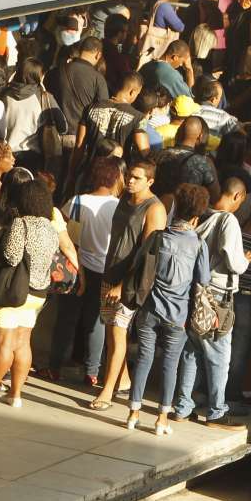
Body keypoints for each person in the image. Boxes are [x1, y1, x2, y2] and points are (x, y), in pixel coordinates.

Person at [125, 183, 211, 436]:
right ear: (196, 216)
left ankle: (133, 413)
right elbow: (202, 281)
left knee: (143, 358)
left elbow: (139, 266)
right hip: (178, 315)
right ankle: (162, 419)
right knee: (170, 365)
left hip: (149, 309)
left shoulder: (157, 237)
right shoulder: (199, 245)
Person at [0, 179, 62, 407]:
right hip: (37, 294)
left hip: (12, 291)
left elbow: (10, 256)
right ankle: (15, 394)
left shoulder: (21, 223)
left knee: (3, 344)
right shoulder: (51, 227)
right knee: (22, 343)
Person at [89, 159, 166, 410]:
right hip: (110, 271)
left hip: (130, 281)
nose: (131, 181)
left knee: (118, 332)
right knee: (111, 330)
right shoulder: (124, 197)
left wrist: (122, 285)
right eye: (129, 176)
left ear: (150, 181)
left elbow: (147, 253)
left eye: (137, 178)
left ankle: (107, 391)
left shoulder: (154, 209)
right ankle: (122, 380)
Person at [174, 178, 249, 429]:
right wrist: (245, 261)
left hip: (194, 292)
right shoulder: (228, 220)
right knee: (219, 355)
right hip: (217, 296)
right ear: (237, 196)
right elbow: (232, 259)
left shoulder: (198, 216)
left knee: (192, 351)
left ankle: (183, 407)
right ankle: (217, 412)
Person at [47, 156, 121, 386]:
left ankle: (54, 367)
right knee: (96, 321)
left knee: (66, 319)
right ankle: (92, 372)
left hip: (76, 267)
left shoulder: (76, 201)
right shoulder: (118, 207)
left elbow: (62, 231)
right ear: (115, 178)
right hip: (105, 271)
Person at [69, 71, 146, 186]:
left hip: (90, 173)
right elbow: (144, 151)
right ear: (132, 92)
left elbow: (79, 145)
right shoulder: (139, 118)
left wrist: (72, 173)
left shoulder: (90, 108)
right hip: (116, 178)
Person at [153, 115, 220, 211]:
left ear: (177, 133)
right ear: (200, 137)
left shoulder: (157, 155)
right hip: (183, 216)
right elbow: (215, 196)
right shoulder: (203, 163)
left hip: (155, 210)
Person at [56, 36, 108, 141]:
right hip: (81, 138)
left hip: (54, 134)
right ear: (98, 55)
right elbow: (103, 113)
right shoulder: (97, 78)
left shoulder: (57, 71)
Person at [192, 76, 241, 148]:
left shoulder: (190, 110)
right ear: (213, 99)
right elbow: (238, 133)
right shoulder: (223, 117)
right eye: (219, 98)